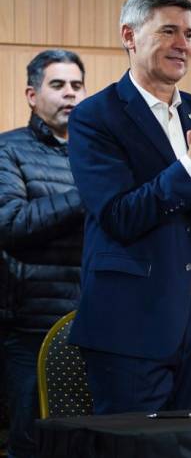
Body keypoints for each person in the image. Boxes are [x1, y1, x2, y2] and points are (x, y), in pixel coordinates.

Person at [67, 0, 191, 414]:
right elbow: (119, 216)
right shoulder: (95, 117)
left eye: (189, 34)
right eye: (168, 31)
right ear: (128, 36)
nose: (182, 45)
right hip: (131, 325)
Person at [0, 49, 86, 457]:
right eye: (57, 85)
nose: (69, 94)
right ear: (32, 95)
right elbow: (11, 225)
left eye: (76, 85)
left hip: (93, 319)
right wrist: (86, 195)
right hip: (30, 323)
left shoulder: (95, 152)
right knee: (32, 441)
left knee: (87, 437)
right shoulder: (8, 150)